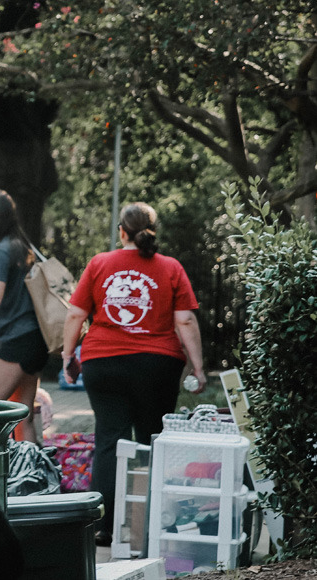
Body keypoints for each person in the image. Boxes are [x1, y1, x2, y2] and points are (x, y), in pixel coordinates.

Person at [62, 201, 206, 546]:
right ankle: (149, 524)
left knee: (109, 441)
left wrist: (68, 355)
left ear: (122, 232)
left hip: (104, 363)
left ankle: (103, 527)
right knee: (150, 440)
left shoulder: (99, 263)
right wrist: (198, 368)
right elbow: (184, 319)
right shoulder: (170, 267)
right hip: (157, 365)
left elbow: (75, 315)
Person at [0, 189, 48, 443]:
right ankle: (35, 476)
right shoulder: (20, 245)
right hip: (35, 340)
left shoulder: (0, 250)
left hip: (18, 342)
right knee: (22, 418)